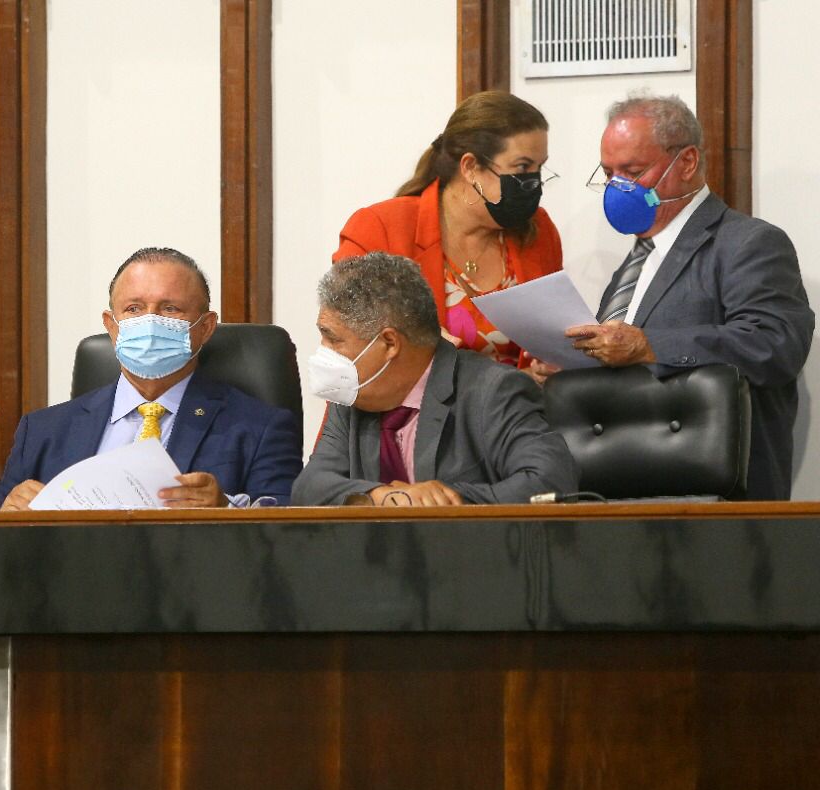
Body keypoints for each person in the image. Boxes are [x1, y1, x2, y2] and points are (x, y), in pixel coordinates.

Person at [565, 94, 813, 500]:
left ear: (687, 162)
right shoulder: (635, 261)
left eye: (632, 170)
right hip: (617, 495)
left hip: (712, 509)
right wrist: (570, 367)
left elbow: (775, 345)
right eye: (609, 173)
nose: (617, 187)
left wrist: (648, 346)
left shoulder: (749, 242)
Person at [0, 247, 302, 510]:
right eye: (134, 308)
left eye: (170, 308)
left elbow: (287, 538)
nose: (150, 321)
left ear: (205, 328)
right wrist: (4, 518)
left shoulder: (261, 428)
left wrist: (226, 510)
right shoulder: (42, 431)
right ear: (111, 327)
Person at [292, 252, 577, 507]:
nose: (323, 352)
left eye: (333, 339)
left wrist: (442, 501)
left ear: (390, 343)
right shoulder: (353, 395)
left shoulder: (493, 390)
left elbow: (551, 481)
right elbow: (310, 487)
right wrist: (380, 496)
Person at [333, 91, 562, 375]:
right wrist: (415, 345)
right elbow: (345, 337)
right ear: (470, 168)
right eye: (523, 167)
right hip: (411, 414)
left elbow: (548, 340)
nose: (533, 182)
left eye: (539, 168)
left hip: (518, 413)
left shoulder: (537, 231)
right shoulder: (379, 228)